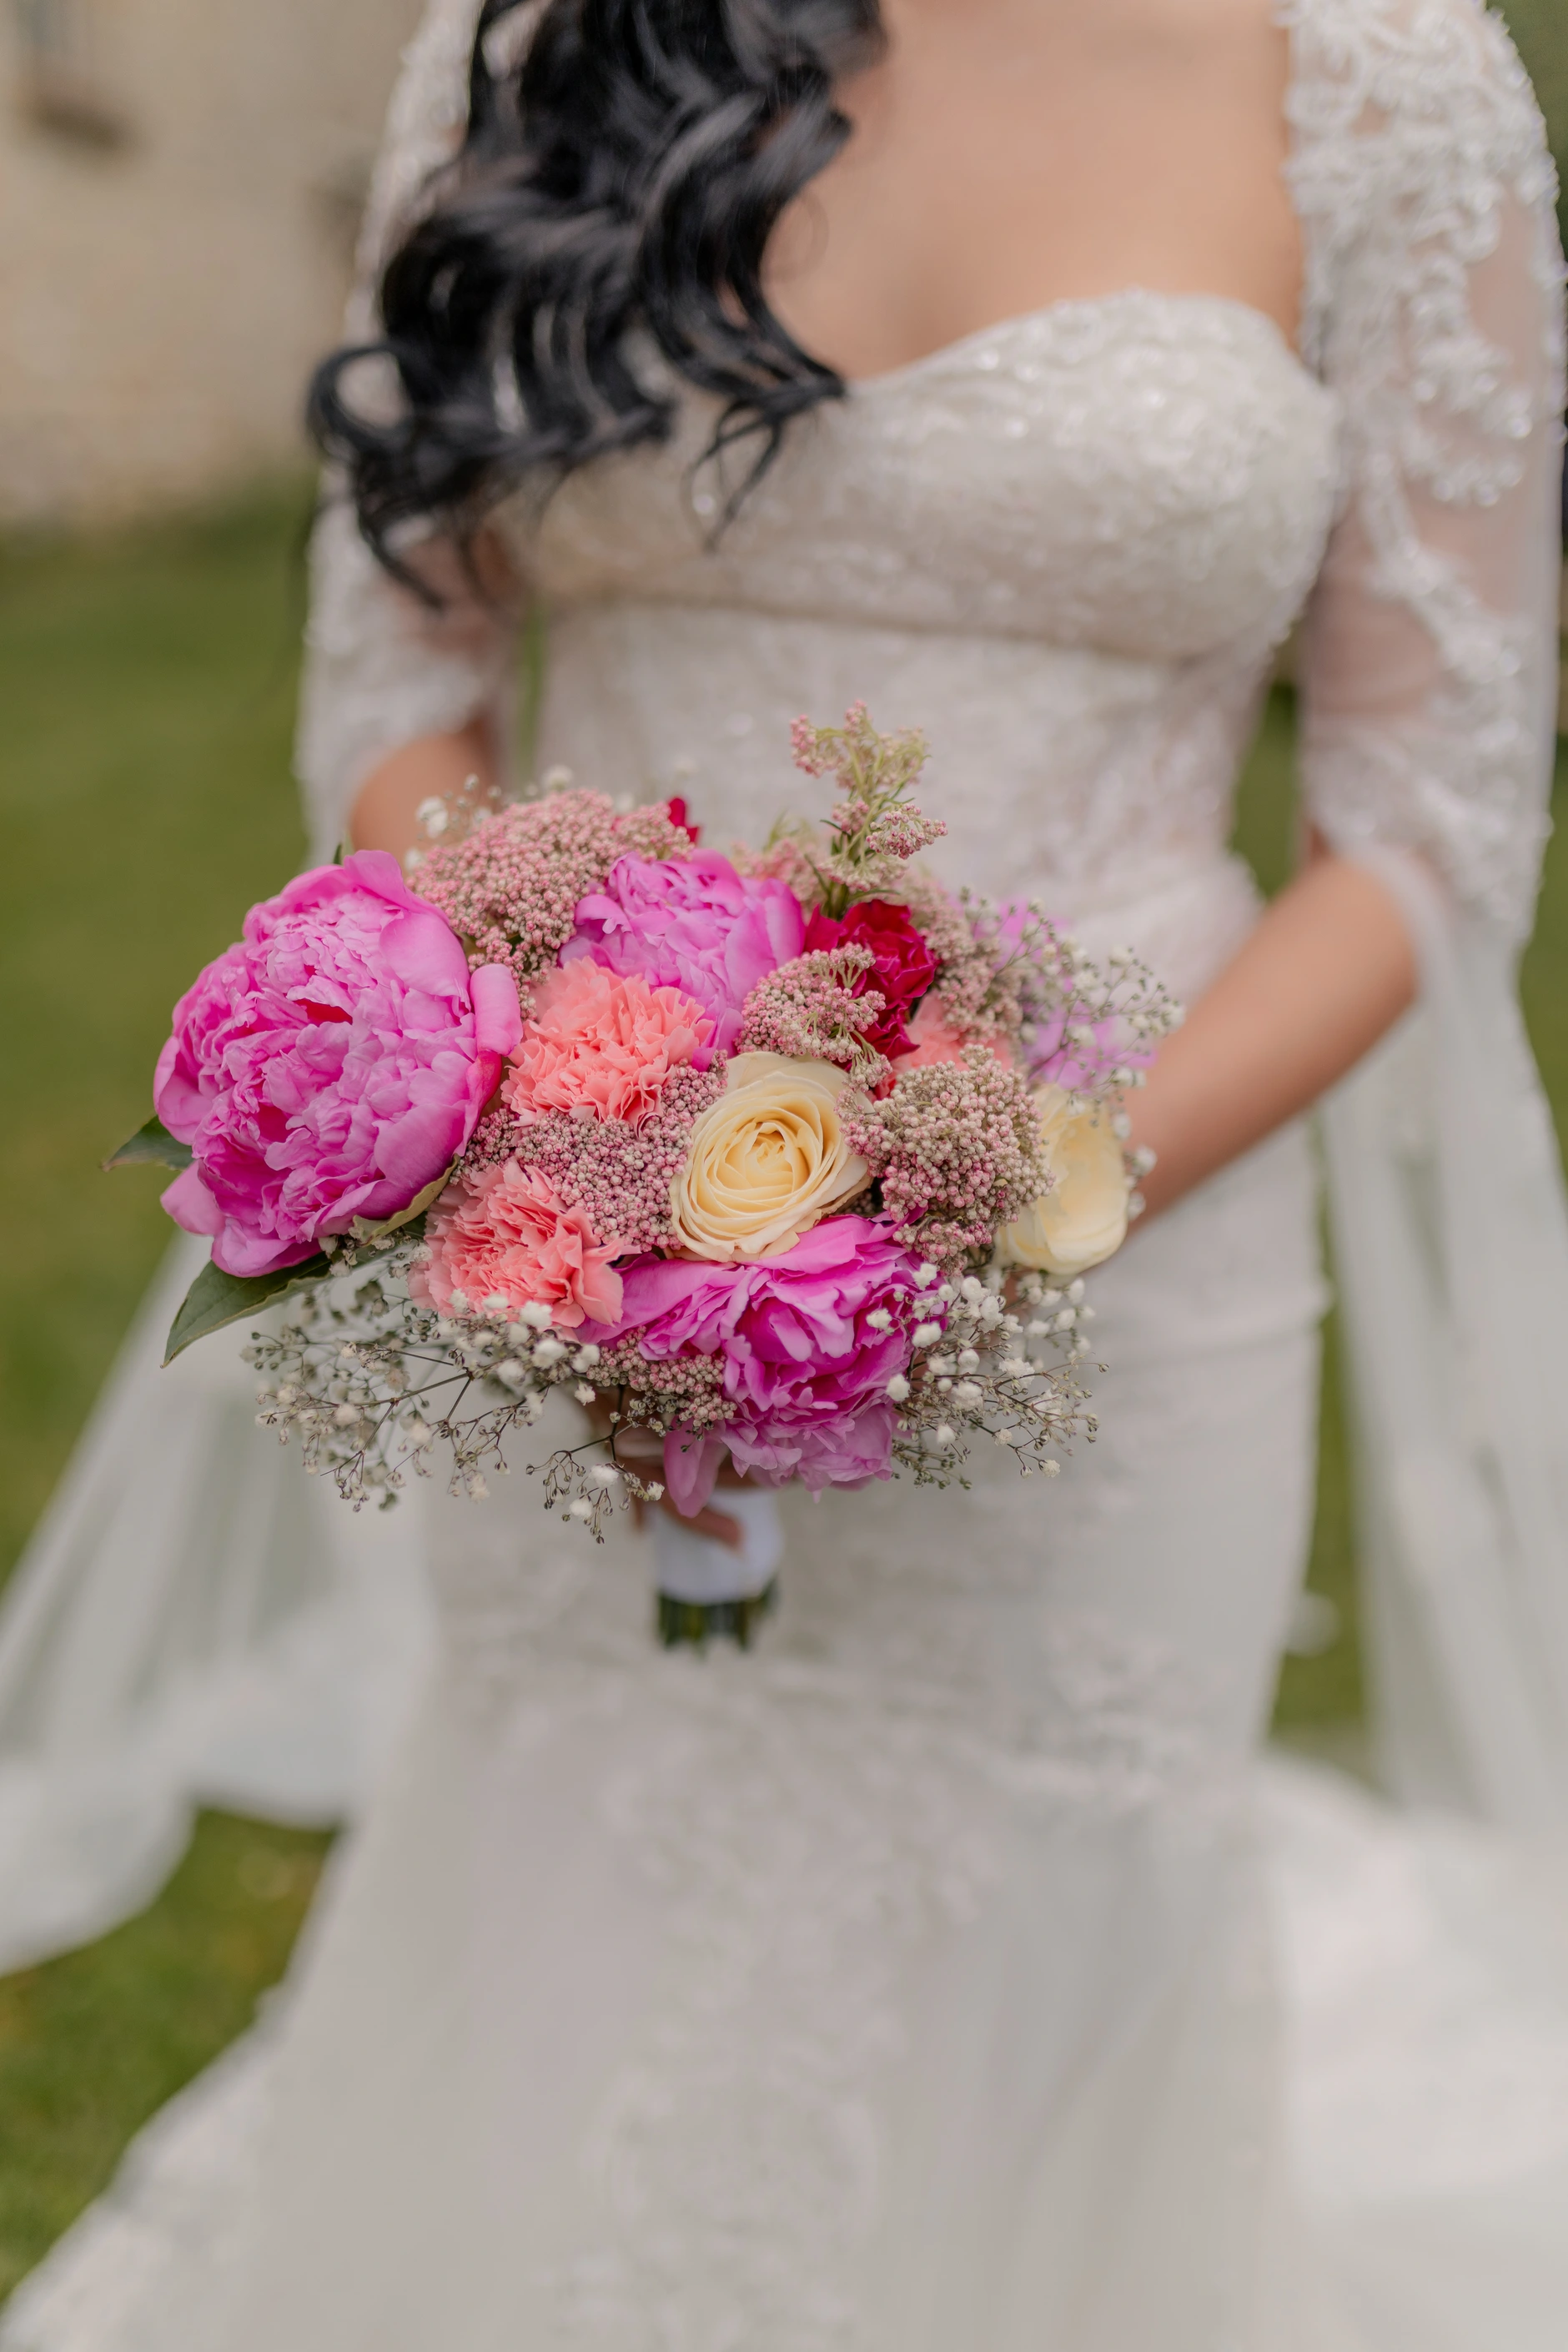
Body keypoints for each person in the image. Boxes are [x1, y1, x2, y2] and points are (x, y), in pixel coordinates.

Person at [5, 0, 1568, 2343]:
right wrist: (570, 1098)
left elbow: (1425, 822)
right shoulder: (540, 39)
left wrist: (1027, 1185)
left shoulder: (1376, 79)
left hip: (1132, 1267)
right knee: (582, 1831)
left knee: (1056, 1902)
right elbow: (397, 687)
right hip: (585, 1226)